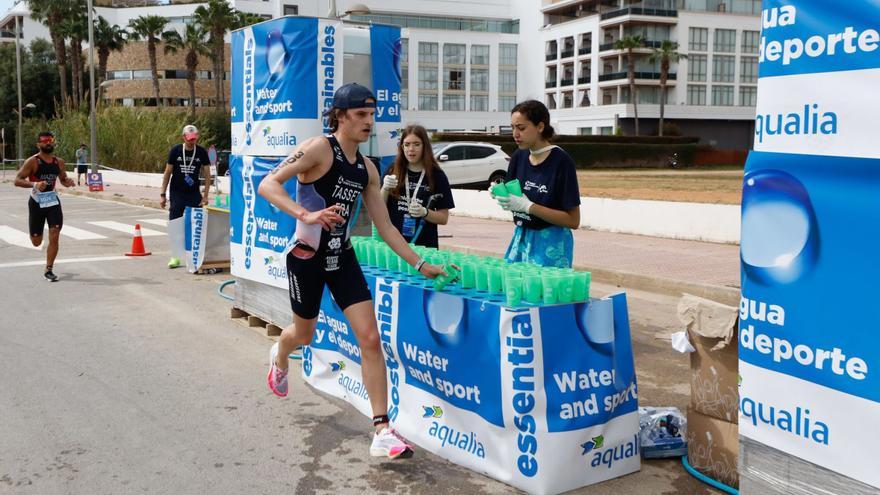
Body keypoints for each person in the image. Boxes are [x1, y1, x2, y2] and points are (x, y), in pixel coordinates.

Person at [258, 83, 446, 459]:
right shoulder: (317, 149)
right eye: (361, 114)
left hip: (341, 257)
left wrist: (421, 263)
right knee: (305, 335)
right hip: (307, 257)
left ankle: (382, 430)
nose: (369, 121)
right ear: (340, 116)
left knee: (371, 338)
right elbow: (268, 184)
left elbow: (388, 227)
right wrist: (306, 214)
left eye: (372, 114)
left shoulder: (367, 169)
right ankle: (280, 351)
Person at [493, 100, 581, 268]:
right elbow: (515, 199)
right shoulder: (519, 157)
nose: (515, 134)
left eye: (521, 128)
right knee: (515, 289)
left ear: (540, 127)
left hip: (551, 243)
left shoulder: (561, 161)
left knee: (543, 292)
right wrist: (501, 194)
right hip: (522, 236)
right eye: (512, 127)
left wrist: (529, 207)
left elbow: (573, 220)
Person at [13, 131, 76, 281]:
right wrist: (34, 184)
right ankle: (35, 236)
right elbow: (17, 180)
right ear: (38, 144)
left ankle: (49, 269)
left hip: (53, 202)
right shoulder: (33, 161)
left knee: (54, 233)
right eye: (45, 141)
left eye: (50, 140)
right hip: (36, 203)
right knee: (36, 242)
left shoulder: (59, 162)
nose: (48, 143)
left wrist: (68, 182)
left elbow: (63, 179)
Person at [380, 125, 455, 248]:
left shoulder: (437, 175)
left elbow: (443, 218)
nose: (411, 149)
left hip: (424, 246)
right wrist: (385, 189)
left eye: (416, 144)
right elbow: (378, 208)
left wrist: (424, 212)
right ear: (401, 147)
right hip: (394, 244)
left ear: (424, 146)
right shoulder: (393, 170)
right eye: (407, 144)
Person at [160, 124, 212, 269]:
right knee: (175, 225)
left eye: (194, 138)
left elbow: (208, 175)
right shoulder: (176, 150)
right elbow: (167, 173)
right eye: (189, 138)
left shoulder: (201, 152)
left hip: (194, 194)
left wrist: (205, 196)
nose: (191, 141)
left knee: (195, 226)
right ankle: (175, 257)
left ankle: (194, 256)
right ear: (183, 137)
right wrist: (163, 194)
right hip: (177, 193)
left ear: (197, 137)